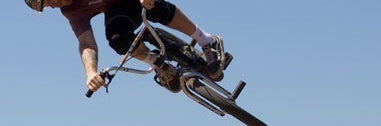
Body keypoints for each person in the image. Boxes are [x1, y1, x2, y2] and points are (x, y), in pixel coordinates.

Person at [25, 0, 229, 93]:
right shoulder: (71, 11)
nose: (51, 6)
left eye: (47, 1)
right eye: (45, 7)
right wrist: (90, 72)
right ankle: (160, 65)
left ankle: (206, 41)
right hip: (117, 10)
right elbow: (86, 43)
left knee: (152, 5)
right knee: (118, 40)